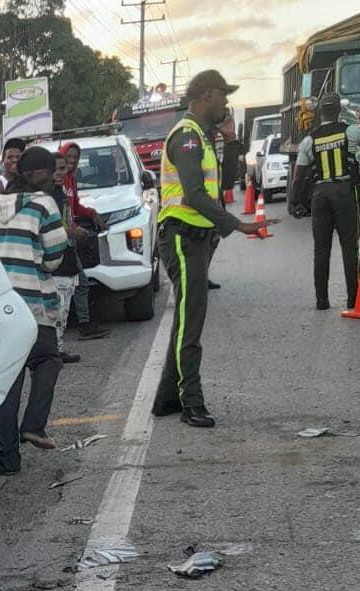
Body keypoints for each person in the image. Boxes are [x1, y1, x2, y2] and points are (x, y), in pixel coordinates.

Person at [153, 70, 272, 428]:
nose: (226, 102)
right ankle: (192, 402)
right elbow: (194, 194)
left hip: (197, 237)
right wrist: (239, 224)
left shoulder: (202, 137)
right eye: (223, 95)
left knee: (187, 321)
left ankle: (166, 399)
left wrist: (232, 144)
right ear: (206, 95)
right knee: (191, 325)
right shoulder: (187, 137)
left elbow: (222, 185)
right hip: (183, 235)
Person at [0, 146, 69, 473]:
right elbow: (55, 255)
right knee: (48, 360)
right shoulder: (43, 204)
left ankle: (7, 459)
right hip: (32, 302)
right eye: (53, 172)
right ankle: (33, 423)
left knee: (9, 380)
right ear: (39, 174)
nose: (56, 178)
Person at [289, 93, 360, 310]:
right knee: (349, 246)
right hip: (345, 193)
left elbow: (299, 176)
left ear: (320, 113)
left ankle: (322, 300)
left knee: (321, 249)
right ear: (338, 110)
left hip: (320, 195)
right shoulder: (352, 131)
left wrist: (294, 202)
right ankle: (352, 298)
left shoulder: (310, 139)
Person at [58, 142, 111, 339]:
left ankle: (80, 324)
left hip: (68, 238)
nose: (72, 161)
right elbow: (56, 213)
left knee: (77, 282)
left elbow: (74, 206)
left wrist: (91, 213)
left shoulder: (70, 179)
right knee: (76, 282)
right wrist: (71, 229)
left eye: (75, 157)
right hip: (59, 240)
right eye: (68, 157)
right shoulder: (57, 183)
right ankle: (80, 325)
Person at [50, 157, 84, 365]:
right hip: (58, 259)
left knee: (65, 306)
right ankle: (54, 351)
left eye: (65, 169)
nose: (63, 172)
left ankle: (58, 348)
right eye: (59, 169)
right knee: (58, 308)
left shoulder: (61, 194)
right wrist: (72, 231)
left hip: (68, 255)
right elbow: (54, 226)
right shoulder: (48, 197)